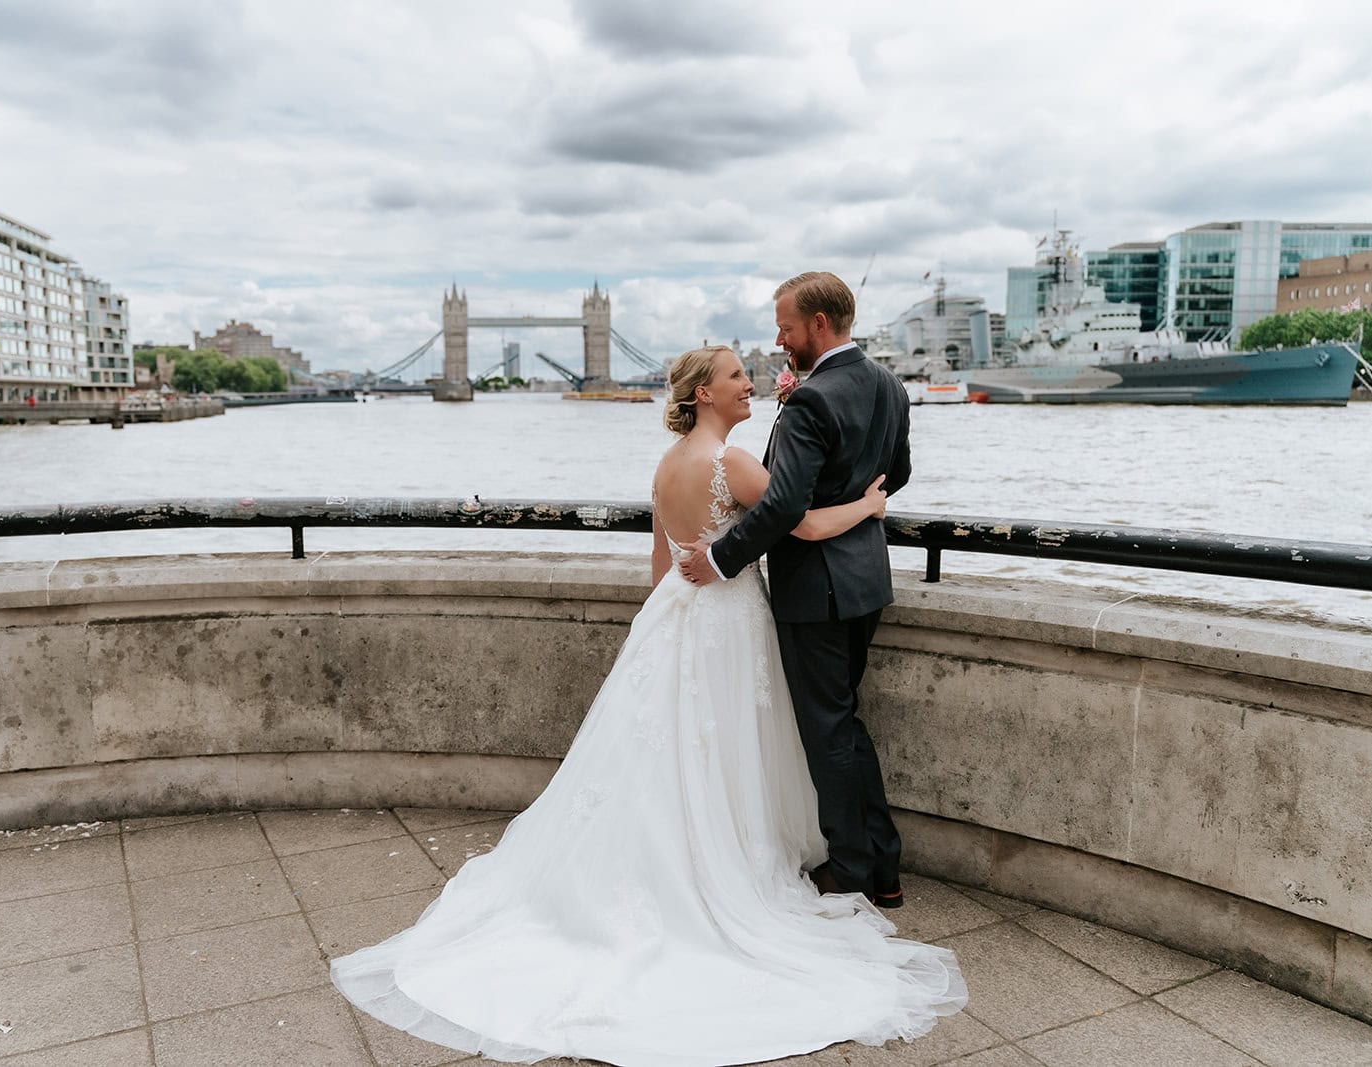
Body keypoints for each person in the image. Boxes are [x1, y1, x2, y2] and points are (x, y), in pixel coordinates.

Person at [331, 344, 964, 1064]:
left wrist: (662, 626)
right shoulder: (735, 465)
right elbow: (809, 524)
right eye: (734, 377)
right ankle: (724, 862)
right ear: (703, 394)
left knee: (663, 751)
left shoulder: (665, 467)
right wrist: (870, 503)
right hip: (730, 620)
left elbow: (663, 566)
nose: (748, 384)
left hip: (675, 618)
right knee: (727, 747)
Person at [678, 271, 912, 907]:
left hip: (817, 591)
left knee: (828, 732)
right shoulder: (889, 385)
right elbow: (901, 474)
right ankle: (884, 868)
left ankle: (853, 871)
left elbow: (783, 505)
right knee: (845, 723)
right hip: (866, 582)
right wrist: (860, 506)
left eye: (785, 327)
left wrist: (722, 560)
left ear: (818, 324)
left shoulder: (812, 398)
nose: (779, 340)